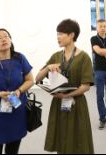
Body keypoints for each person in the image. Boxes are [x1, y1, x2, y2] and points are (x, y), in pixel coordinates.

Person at [35, 19, 94, 154]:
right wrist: (48, 68)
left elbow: (85, 86)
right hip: (59, 104)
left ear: (72, 35)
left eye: (61, 34)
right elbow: (37, 78)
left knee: (78, 140)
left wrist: (66, 95)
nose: (58, 37)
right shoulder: (56, 56)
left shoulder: (84, 57)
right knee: (61, 137)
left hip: (76, 103)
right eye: (57, 34)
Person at [0, 28, 34, 154]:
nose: (3, 39)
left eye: (6, 36)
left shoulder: (20, 58)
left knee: (13, 150)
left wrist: (19, 90)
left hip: (17, 111)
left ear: (10, 40)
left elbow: (30, 80)